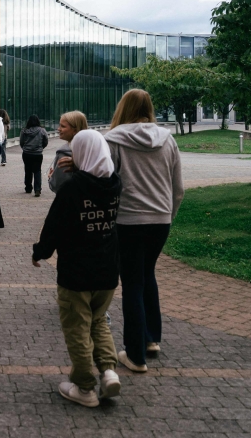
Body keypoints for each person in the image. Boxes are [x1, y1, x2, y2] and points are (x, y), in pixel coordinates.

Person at [32, 130, 123, 408]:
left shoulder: (72, 187)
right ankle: (108, 371)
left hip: (76, 272)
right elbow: (96, 171)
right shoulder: (114, 184)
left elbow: (54, 225)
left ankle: (84, 388)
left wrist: (40, 252)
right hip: (107, 270)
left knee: (77, 328)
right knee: (98, 321)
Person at [105, 89, 184, 373]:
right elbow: (178, 189)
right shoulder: (168, 140)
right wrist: (167, 216)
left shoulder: (112, 140)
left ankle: (135, 355)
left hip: (127, 221)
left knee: (133, 283)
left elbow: (106, 183)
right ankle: (152, 339)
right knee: (147, 274)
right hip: (160, 221)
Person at [48, 111, 89, 194]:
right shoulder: (93, 150)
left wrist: (51, 178)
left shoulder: (64, 154)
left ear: (75, 130)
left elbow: (59, 185)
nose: (58, 129)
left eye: (62, 126)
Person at [20, 115, 49, 197]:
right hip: (38, 154)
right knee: (37, 171)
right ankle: (37, 189)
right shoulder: (42, 130)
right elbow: (46, 141)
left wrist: (25, 148)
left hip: (26, 153)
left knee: (28, 170)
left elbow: (21, 142)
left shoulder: (24, 131)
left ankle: (28, 187)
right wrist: (41, 147)